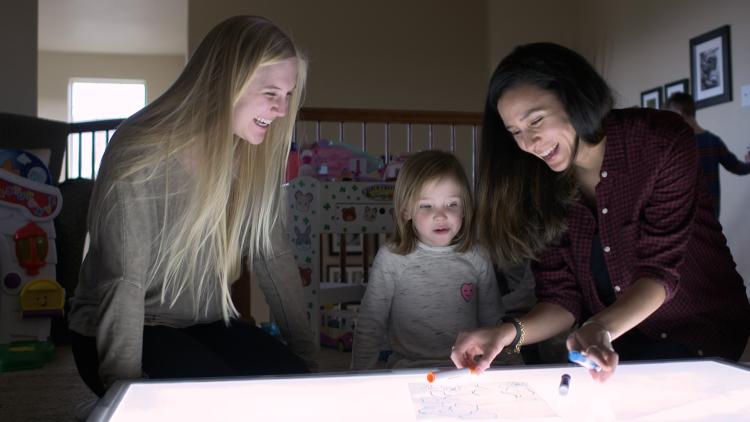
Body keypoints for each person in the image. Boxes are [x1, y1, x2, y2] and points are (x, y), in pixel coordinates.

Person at [451, 42, 750, 382]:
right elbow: (561, 299)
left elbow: (659, 272)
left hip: (703, 330)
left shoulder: (660, 141)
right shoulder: (539, 186)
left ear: (576, 97)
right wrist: (505, 334)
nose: (528, 143)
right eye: (515, 132)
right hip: (622, 346)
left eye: (536, 120)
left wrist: (600, 326)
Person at [67, 16, 317, 397]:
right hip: (123, 328)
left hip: (204, 323)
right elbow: (125, 279)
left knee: (289, 390)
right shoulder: (140, 150)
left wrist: (308, 364)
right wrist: (123, 391)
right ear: (226, 80)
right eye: (270, 93)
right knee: (220, 402)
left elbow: (274, 257)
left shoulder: (250, 155)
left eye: (288, 95)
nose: (282, 110)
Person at [352, 150, 526, 370]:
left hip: (467, 370)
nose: (441, 215)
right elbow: (370, 324)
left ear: (464, 209)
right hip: (408, 370)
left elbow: (493, 324)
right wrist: (358, 377)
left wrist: (515, 368)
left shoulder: (478, 256)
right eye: (427, 206)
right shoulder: (391, 259)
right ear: (406, 211)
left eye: (452, 204)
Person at [663, 92, 750, 217]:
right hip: (711, 215)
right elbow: (737, 167)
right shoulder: (713, 141)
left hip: (682, 216)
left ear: (679, 113)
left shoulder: (673, 145)